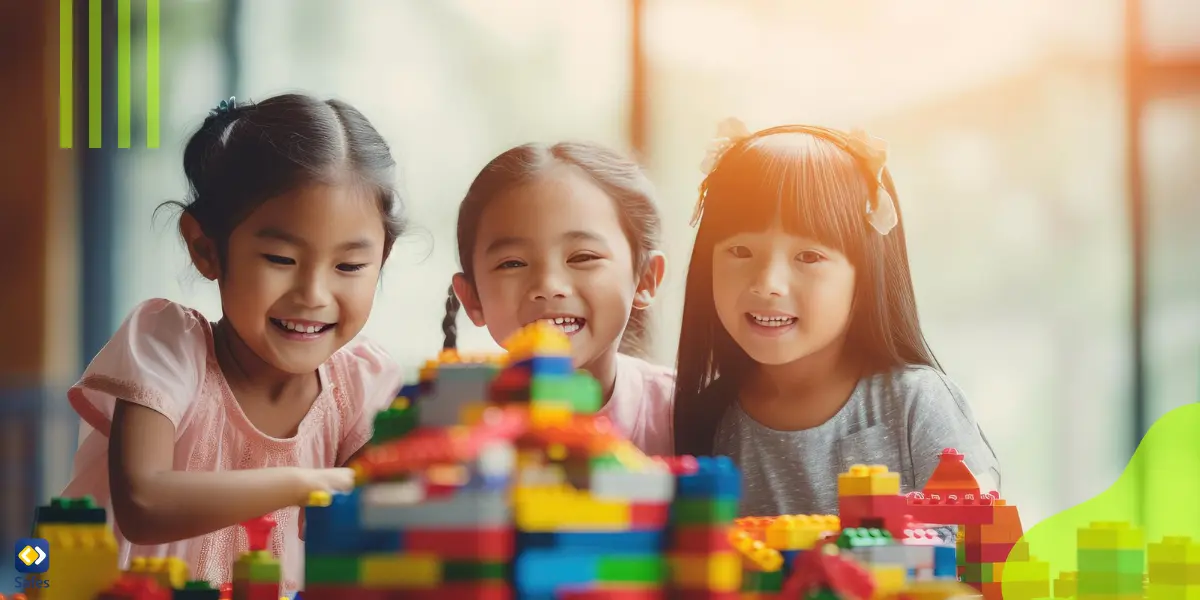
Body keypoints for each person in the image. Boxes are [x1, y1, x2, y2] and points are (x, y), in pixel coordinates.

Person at [60, 94, 407, 592]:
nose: (313, 295)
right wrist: (307, 484)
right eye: (280, 259)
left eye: (349, 266)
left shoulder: (363, 385)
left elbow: (364, 539)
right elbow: (145, 504)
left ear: (383, 260)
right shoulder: (168, 348)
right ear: (206, 249)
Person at [672, 119, 1000, 516]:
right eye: (740, 251)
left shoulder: (915, 403)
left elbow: (979, 549)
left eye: (808, 257)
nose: (768, 284)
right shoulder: (711, 419)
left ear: (866, 273)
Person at [444, 142, 674, 455]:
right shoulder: (450, 420)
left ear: (645, 278)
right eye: (512, 263)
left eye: (583, 257)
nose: (548, 285)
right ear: (472, 299)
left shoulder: (683, 413)